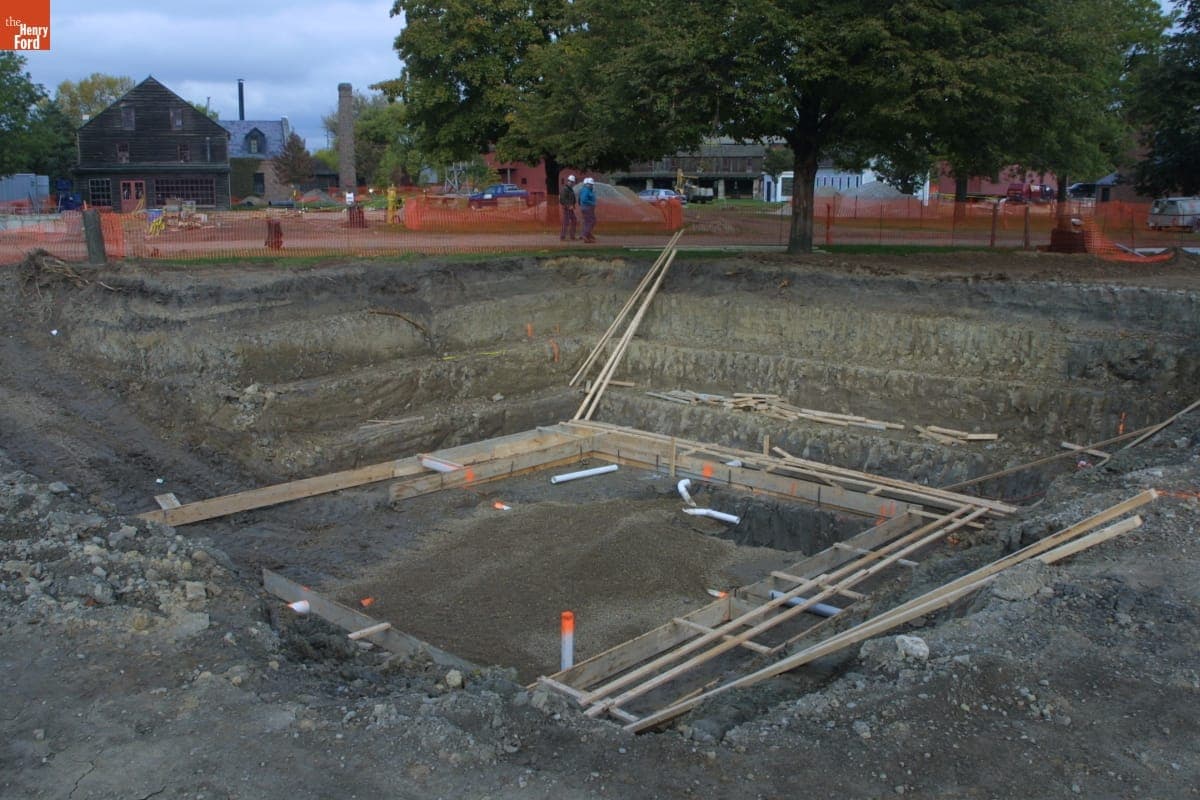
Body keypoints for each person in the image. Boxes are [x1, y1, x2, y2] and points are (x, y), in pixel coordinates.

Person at [559, 174, 578, 240]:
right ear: (568, 181)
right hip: (566, 208)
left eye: (573, 182)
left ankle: (572, 236)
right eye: (571, 182)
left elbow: (572, 198)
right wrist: (569, 205)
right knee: (566, 222)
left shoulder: (570, 189)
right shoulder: (565, 189)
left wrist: (573, 204)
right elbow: (562, 199)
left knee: (574, 220)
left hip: (571, 208)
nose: (572, 183)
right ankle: (563, 236)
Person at [579, 177, 597, 243]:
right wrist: (592, 203)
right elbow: (584, 199)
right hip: (587, 208)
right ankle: (585, 235)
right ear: (586, 184)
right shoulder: (586, 190)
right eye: (590, 184)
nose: (591, 185)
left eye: (592, 184)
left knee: (588, 221)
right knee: (591, 221)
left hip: (587, 208)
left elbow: (580, 200)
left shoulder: (588, 190)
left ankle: (587, 234)